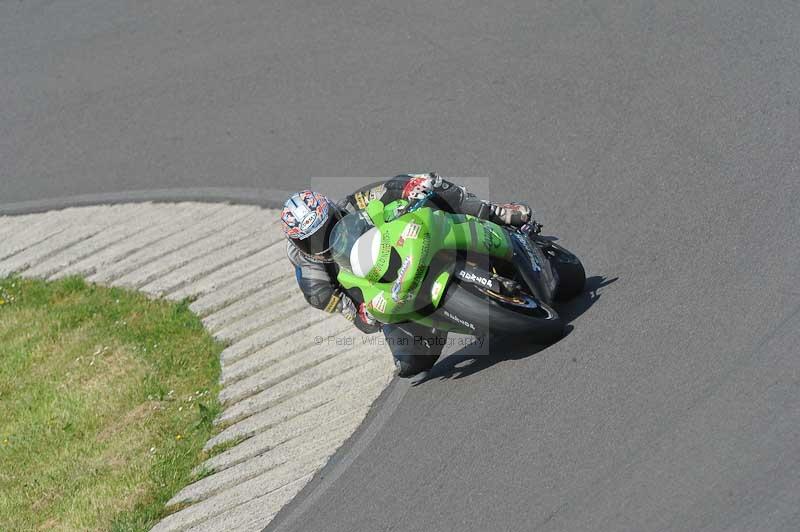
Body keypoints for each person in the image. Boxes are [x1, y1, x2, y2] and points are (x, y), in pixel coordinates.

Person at [281, 173, 533, 377]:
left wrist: (412, 186)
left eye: (326, 227)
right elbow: (352, 312)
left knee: (436, 188)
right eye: (311, 240)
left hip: (406, 247)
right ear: (298, 244)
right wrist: (364, 315)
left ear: (333, 210)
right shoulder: (315, 282)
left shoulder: (352, 205)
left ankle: (494, 213)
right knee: (410, 364)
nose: (323, 240)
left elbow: (391, 186)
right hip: (389, 294)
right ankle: (445, 317)